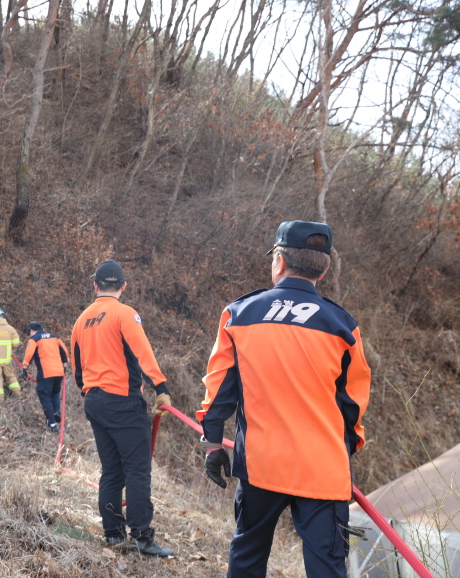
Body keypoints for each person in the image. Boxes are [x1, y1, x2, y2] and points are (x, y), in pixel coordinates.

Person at [197, 221, 371, 578]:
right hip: (323, 468)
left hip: (262, 463)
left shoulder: (239, 314)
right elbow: (353, 404)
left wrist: (213, 443)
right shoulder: (343, 326)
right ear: (322, 271)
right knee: (327, 568)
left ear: (279, 261)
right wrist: (346, 450)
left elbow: (219, 389)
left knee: (247, 557)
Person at [70, 260, 174, 558]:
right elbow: (142, 353)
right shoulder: (124, 314)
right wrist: (161, 388)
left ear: (95, 286)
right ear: (123, 286)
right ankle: (141, 537)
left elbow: (77, 370)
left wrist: (90, 391)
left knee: (112, 471)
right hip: (123, 402)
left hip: (94, 401)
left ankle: (114, 534)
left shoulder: (81, 321)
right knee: (137, 471)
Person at [21, 322, 69, 431]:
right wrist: (65, 366)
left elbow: (29, 354)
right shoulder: (55, 338)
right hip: (59, 372)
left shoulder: (34, 339)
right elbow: (65, 352)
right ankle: (56, 411)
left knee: (44, 395)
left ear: (32, 330)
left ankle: (51, 423)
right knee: (55, 393)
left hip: (46, 373)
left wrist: (25, 367)